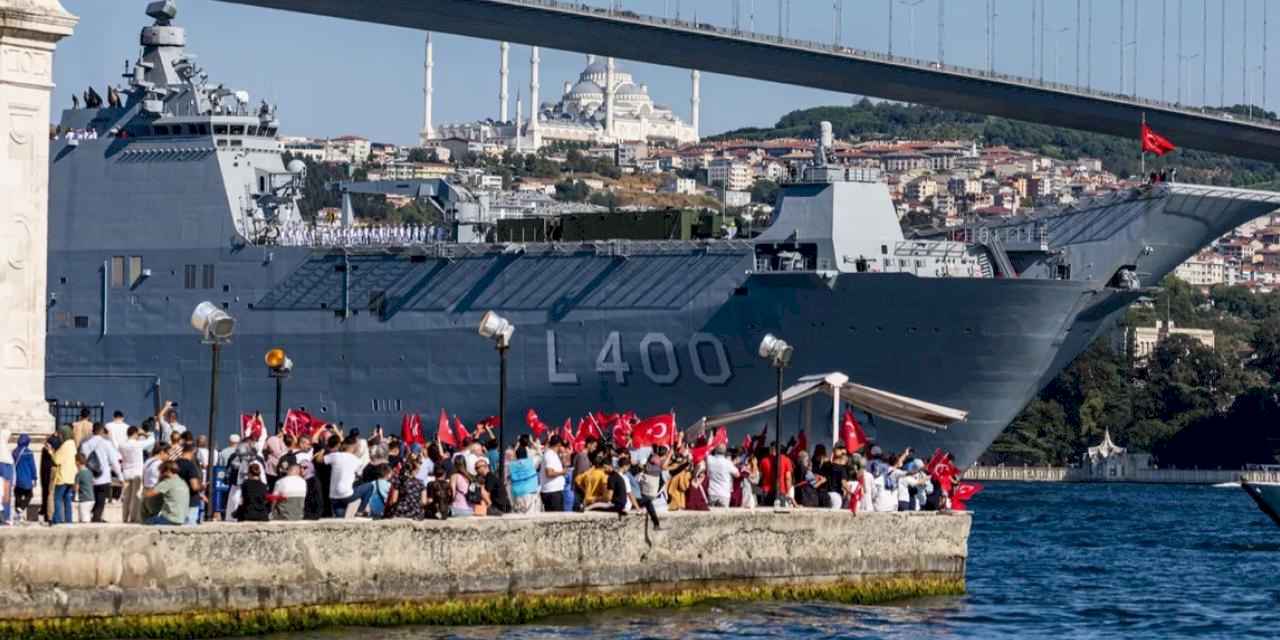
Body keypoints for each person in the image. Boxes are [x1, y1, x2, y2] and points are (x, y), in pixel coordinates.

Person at [79, 423, 121, 522]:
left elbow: (82, 460)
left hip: (90, 475)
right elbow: (113, 460)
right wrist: (120, 475)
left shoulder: (85, 444)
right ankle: (97, 517)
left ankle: (90, 516)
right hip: (103, 476)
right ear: (101, 431)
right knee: (101, 498)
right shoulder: (106, 443)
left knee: (91, 497)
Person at [119, 426, 154, 523]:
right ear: (135, 433)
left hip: (126, 472)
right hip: (137, 472)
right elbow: (152, 440)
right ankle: (133, 518)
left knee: (126, 497)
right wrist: (145, 433)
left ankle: (124, 518)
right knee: (136, 496)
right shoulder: (138, 444)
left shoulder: (122, 445)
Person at [324, 438, 366, 518]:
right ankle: (360, 511)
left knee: (340, 519)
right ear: (354, 446)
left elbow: (320, 459)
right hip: (347, 494)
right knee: (370, 487)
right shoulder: (357, 460)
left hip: (333, 495)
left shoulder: (335, 455)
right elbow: (359, 475)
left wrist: (324, 448)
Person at [142, 461, 189, 526]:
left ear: (167, 471)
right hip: (183, 518)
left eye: (161, 471)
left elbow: (148, 494)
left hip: (170, 518)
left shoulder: (167, 482)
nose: (160, 473)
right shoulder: (182, 482)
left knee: (146, 521)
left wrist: (158, 480)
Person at [385, 455, 428, 520]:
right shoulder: (421, 483)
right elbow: (424, 502)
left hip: (400, 512)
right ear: (415, 470)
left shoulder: (399, 481)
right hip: (415, 514)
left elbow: (393, 500)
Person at [175, 443, 204, 525]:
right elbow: (194, 486)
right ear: (193, 451)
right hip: (191, 501)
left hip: (177, 500)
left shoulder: (174, 463)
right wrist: (202, 486)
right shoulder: (190, 466)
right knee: (189, 527)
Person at [508, 446, 541, 514]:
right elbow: (540, 456)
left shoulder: (511, 465)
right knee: (531, 515)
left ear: (516, 455)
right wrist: (536, 446)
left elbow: (509, 478)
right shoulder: (531, 461)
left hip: (517, 494)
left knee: (519, 515)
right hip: (530, 493)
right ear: (526, 454)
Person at [539, 436, 567, 513]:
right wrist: (562, 472)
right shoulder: (549, 455)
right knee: (556, 518)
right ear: (558, 444)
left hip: (555, 491)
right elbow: (549, 472)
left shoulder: (553, 454)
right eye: (561, 445)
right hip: (552, 493)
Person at [12, 434, 36, 524]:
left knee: (17, 496)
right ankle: (21, 508)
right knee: (29, 495)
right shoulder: (29, 452)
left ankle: (18, 516)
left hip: (17, 479)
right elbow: (32, 466)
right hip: (27, 478)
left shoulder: (14, 452)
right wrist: (34, 478)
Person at [0, 428, 12, 525]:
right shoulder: (4, 448)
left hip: (5, 466)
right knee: (5, 495)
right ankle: (5, 517)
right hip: (5, 467)